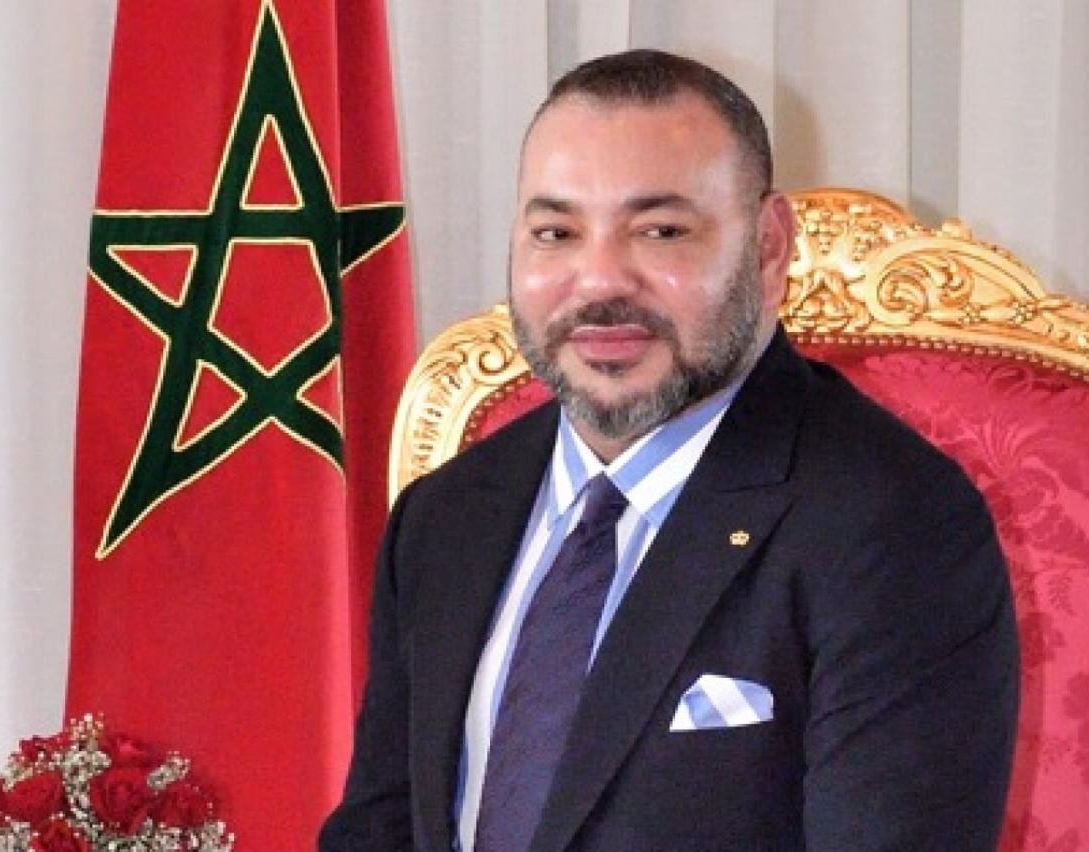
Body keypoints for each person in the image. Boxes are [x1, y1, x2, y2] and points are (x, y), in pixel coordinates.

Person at [320, 49, 1019, 851]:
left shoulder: (895, 525)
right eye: (556, 233)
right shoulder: (445, 517)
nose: (599, 281)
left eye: (660, 231)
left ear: (768, 248)